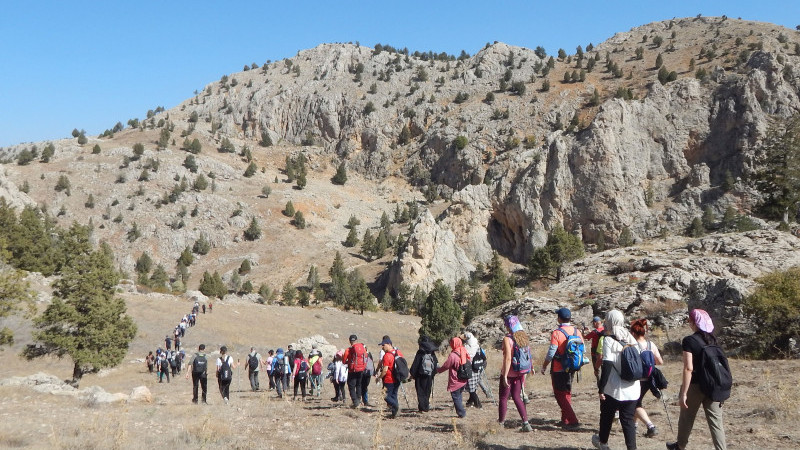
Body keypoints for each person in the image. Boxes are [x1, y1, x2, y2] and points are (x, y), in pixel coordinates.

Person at [667, 309, 728, 450]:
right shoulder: (713, 339)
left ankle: (680, 446)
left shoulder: (689, 341)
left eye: (690, 320)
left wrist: (683, 393)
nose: (689, 323)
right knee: (716, 423)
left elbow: (688, 368)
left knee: (686, 418)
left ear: (695, 323)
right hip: (714, 386)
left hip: (695, 386)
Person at [592, 310, 640, 450]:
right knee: (627, 420)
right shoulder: (630, 337)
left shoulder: (608, 339)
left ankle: (603, 443)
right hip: (633, 386)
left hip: (614, 387)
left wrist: (601, 387)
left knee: (607, 415)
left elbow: (606, 365)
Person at [541, 307, 582, 428]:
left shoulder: (557, 333)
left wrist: (544, 366)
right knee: (566, 392)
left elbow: (551, 352)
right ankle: (565, 420)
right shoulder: (576, 331)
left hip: (559, 368)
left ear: (559, 318)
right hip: (572, 367)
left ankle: (573, 420)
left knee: (559, 394)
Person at [630, 318, 663, 438]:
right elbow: (660, 361)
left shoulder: (633, 346)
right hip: (649, 379)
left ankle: (651, 426)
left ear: (633, 333)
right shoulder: (650, 344)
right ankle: (634, 427)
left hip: (636, 380)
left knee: (635, 404)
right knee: (637, 402)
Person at [499, 315, 533, 432]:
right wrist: (531, 367)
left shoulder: (507, 339)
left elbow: (508, 358)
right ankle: (526, 423)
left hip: (509, 373)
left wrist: (504, 375)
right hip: (520, 373)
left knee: (503, 398)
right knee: (517, 397)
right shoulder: (523, 337)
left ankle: (501, 423)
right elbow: (528, 354)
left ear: (508, 326)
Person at [436, 336, 469, 418]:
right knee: (459, 395)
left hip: (456, 379)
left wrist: (438, 370)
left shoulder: (453, 355)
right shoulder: (463, 350)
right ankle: (460, 411)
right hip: (464, 378)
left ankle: (462, 413)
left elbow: (446, 365)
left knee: (455, 396)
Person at [409, 335, 438, 412]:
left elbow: (416, 364)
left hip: (420, 375)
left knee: (420, 391)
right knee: (427, 390)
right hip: (429, 375)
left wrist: (412, 374)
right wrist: (433, 373)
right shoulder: (432, 352)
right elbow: (435, 363)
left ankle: (422, 407)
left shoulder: (420, 352)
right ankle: (426, 406)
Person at [375, 337, 402, 418]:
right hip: (397, 378)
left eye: (383, 345)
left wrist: (379, 378)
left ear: (389, 344)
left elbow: (385, 370)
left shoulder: (387, 355)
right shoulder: (398, 352)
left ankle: (395, 406)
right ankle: (394, 413)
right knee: (394, 395)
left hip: (389, 379)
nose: (382, 347)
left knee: (385, 396)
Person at [343, 334, 368, 408]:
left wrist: (348, 362)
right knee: (359, 385)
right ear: (357, 340)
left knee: (351, 386)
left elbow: (344, 360)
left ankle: (355, 402)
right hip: (361, 369)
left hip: (352, 370)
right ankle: (359, 399)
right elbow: (366, 357)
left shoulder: (349, 349)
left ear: (350, 341)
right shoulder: (362, 348)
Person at [463, 331, 484, 408]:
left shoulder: (467, 347)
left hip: (470, 368)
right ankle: (470, 401)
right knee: (473, 386)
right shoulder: (477, 345)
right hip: (477, 368)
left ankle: (478, 404)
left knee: (471, 387)